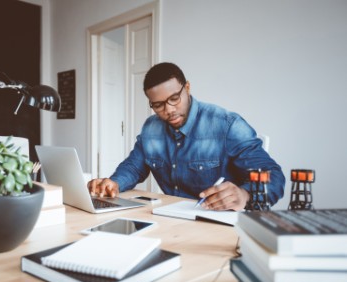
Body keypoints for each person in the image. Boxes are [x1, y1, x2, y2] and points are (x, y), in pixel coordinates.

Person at [87, 62, 285, 211]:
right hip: (171, 219)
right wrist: (114, 183)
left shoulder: (227, 124)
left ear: (187, 88)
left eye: (174, 98)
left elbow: (274, 176)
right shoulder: (151, 128)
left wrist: (244, 195)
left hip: (217, 222)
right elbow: (133, 167)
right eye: (158, 105)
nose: (169, 110)